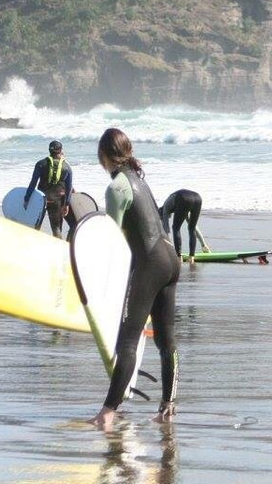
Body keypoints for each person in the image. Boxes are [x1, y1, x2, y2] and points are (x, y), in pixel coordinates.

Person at [90, 128, 180, 429]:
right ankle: (168, 408)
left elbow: (112, 239)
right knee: (166, 340)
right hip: (170, 258)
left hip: (151, 263)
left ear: (103, 155)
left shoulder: (116, 187)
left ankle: (107, 413)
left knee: (127, 340)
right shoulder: (140, 180)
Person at [23, 140, 73, 238]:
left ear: (49, 150)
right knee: (56, 229)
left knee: (35, 227)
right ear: (61, 150)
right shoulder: (67, 167)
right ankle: (58, 246)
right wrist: (66, 204)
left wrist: (27, 198)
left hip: (40, 199)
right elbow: (69, 188)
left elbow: (33, 183)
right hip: (56, 201)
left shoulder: (40, 164)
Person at [160, 189, 203, 263]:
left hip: (183, 198)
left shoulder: (165, 208)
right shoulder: (179, 207)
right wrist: (203, 244)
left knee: (176, 228)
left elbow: (166, 229)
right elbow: (194, 227)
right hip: (198, 198)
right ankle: (191, 257)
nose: (169, 217)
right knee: (192, 227)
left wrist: (168, 246)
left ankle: (179, 257)